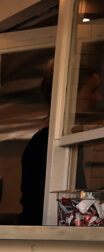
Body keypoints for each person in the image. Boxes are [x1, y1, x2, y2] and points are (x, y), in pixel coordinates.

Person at [20, 65, 101, 225]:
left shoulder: (62, 140)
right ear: (70, 95)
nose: (98, 98)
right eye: (92, 90)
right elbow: (66, 208)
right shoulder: (49, 143)